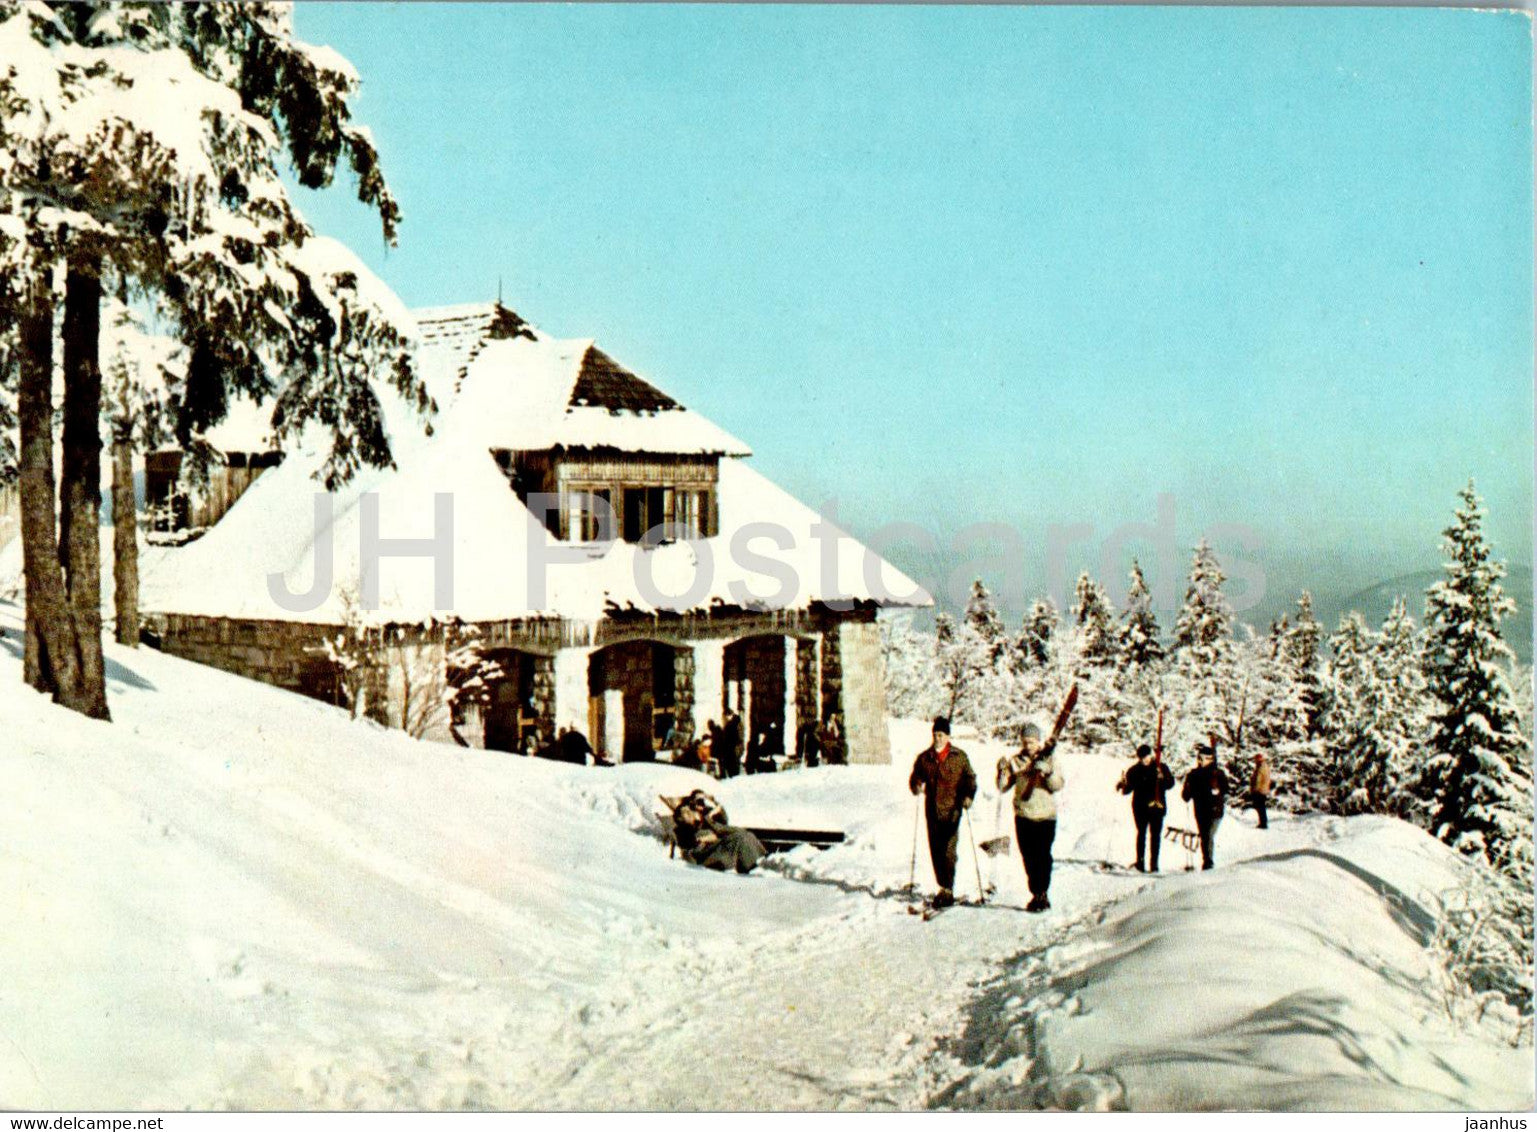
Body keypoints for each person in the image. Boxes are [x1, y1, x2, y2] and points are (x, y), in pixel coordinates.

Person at [908, 716, 977, 909]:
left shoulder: (959, 757)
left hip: (952, 810)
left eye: (941, 735)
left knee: (948, 850)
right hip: (932, 811)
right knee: (936, 850)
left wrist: (969, 796)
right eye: (935, 734)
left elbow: (970, 779)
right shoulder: (925, 758)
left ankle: (948, 889)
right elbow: (914, 777)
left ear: (948, 736)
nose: (937, 738)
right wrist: (916, 785)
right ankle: (943, 886)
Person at [997, 720, 1065, 912]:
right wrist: (1001, 771)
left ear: (1039, 741)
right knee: (1028, 857)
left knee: (1043, 856)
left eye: (1032, 741)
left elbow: (1057, 785)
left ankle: (1042, 893)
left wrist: (1048, 772)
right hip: (1024, 816)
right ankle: (1036, 892)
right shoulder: (1015, 761)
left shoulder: (1050, 759)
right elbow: (1003, 787)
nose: (1029, 745)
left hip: (1045, 816)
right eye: (1025, 741)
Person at [670, 789, 766, 874]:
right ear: (691, 802)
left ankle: (761, 861)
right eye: (698, 801)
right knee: (739, 838)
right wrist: (706, 820)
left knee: (747, 835)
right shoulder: (687, 817)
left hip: (718, 843)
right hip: (708, 852)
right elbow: (694, 839)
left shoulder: (706, 811)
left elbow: (724, 821)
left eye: (702, 801)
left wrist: (713, 802)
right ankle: (751, 867)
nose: (701, 804)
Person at [1116, 743, 1174, 872]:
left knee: (1155, 836)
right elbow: (1127, 789)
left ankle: (1154, 864)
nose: (1145, 759)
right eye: (1142, 757)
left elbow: (1170, 784)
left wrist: (1162, 778)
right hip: (1140, 807)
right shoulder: (1134, 770)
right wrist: (1122, 785)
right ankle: (1140, 863)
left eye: (1147, 756)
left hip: (1157, 805)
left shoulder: (1161, 767)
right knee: (1141, 834)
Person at [1181, 743, 1229, 870]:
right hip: (1201, 810)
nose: (1200, 760)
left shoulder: (1218, 774)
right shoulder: (1193, 775)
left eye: (1203, 758)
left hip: (1214, 810)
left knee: (1208, 835)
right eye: (1199, 757)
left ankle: (1208, 862)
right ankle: (1207, 860)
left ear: (1210, 759)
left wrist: (1219, 791)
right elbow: (1186, 796)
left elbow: (1226, 789)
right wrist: (1187, 788)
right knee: (1205, 835)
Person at [1248, 751, 1272, 829]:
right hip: (1263, 789)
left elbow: (1258, 779)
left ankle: (1263, 823)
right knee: (1261, 807)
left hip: (1260, 790)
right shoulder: (1264, 766)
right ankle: (1263, 822)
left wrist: (1255, 789)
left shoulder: (1261, 767)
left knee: (1260, 807)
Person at [719, 709, 743, 779]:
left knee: (731, 765)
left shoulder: (732, 724)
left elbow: (732, 737)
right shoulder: (736, 723)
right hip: (732, 748)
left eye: (726, 716)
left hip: (730, 748)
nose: (725, 718)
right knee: (733, 765)